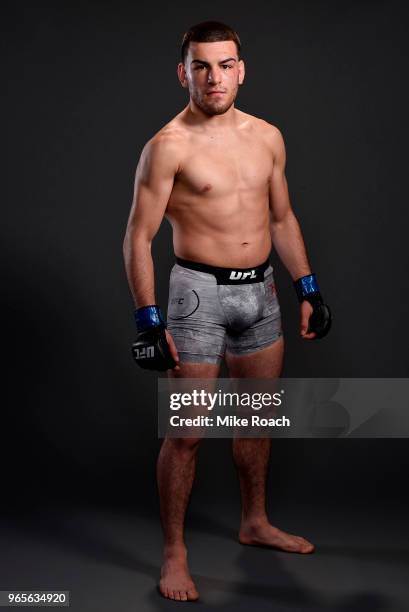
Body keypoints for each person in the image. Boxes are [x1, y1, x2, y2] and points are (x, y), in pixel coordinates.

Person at [123, 20, 331, 602]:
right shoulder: (167, 147)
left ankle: (255, 522)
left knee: (256, 418)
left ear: (242, 68)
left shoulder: (268, 136)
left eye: (226, 64)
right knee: (186, 433)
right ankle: (175, 554)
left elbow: (282, 218)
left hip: (260, 290)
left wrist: (308, 288)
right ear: (183, 72)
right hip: (197, 297)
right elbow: (137, 238)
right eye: (202, 66)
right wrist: (147, 319)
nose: (215, 78)